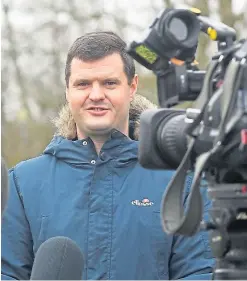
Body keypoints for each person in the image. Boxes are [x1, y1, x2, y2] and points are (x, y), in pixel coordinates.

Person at [1, 31, 215, 280]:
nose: (96, 95)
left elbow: (200, 272)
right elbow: (7, 273)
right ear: (68, 91)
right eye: (83, 84)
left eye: (109, 83)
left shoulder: (181, 181)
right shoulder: (22, 184)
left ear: (132, 86)